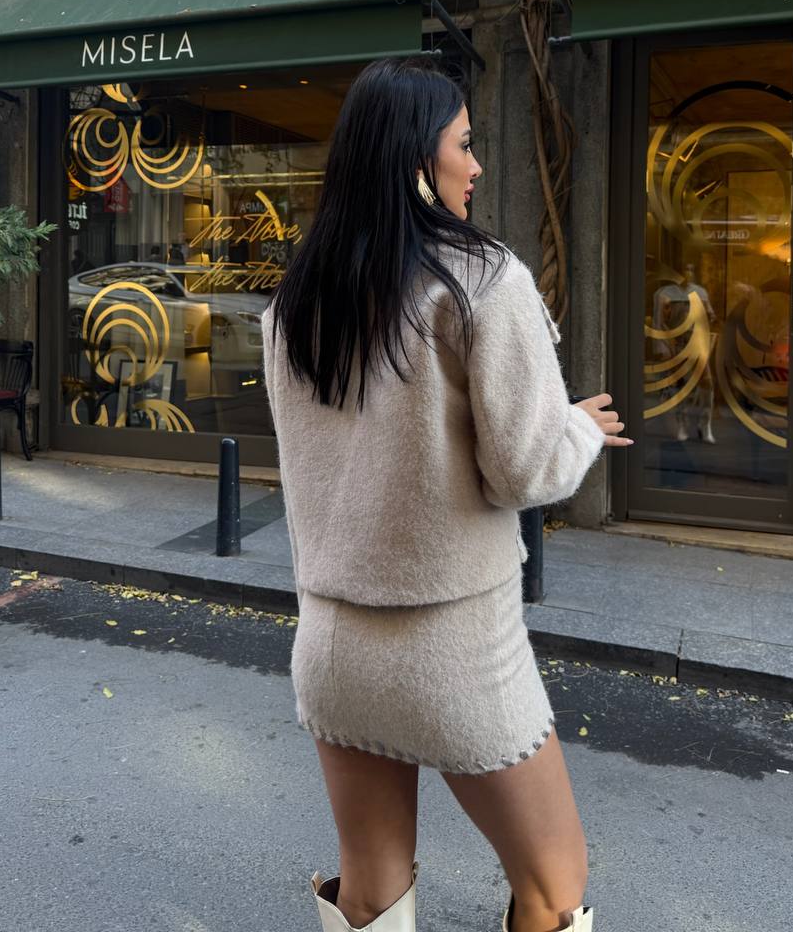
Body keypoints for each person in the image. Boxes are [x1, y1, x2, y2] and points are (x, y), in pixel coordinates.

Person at [263, 58, 631, 932]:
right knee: (553, 884)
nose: (474, 166)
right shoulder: (480, 279)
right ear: (414, 160)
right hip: (456, 644)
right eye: (463, 145)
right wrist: (578, 427)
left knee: (373, 885)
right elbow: (527, 469)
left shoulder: (296, 301)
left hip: (332, 644)